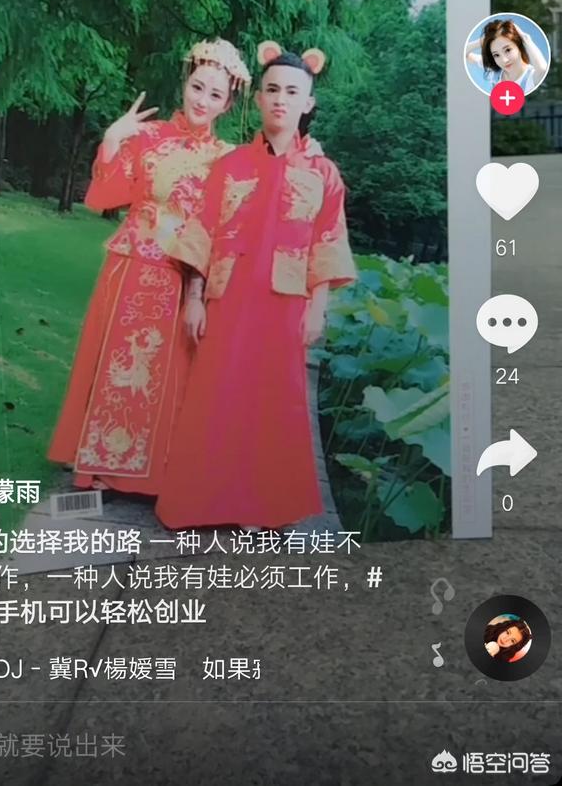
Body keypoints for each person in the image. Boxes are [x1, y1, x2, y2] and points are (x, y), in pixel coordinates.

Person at [155, 41, 356, 531]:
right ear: (259, 98)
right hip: (227, 298)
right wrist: (194, 299)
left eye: (292, 92)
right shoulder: (230, 167)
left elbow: (327, 241)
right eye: (272, 90)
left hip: (285, 304)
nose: (280, 99)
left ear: (308, 103)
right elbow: (201, 232)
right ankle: (200, 504)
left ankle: (261, 509)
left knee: (272, 403)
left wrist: (318, 307)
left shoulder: (324, 174)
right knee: (216, 396)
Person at [47, 38, 251, 495]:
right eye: (197, 87)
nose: (202, 101)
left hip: (183, 275)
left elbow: (225, 227)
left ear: (228, 104)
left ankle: (155, 470)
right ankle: (102, 464)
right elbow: (104, 197)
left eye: (215, 95)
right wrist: (112, 139)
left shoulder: (228, 158)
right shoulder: (149, 136)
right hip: (132, 266)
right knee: (121, 366)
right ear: (185, 83)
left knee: (167, 375)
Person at [466, 18, 548, 94]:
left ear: (519, 45)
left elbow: (542, 70)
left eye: (508, 50)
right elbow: (465, 54)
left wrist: (526, 39)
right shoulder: (494, 72)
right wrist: (482, 41)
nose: (504, 60)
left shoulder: (531, 77)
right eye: (496, 55)